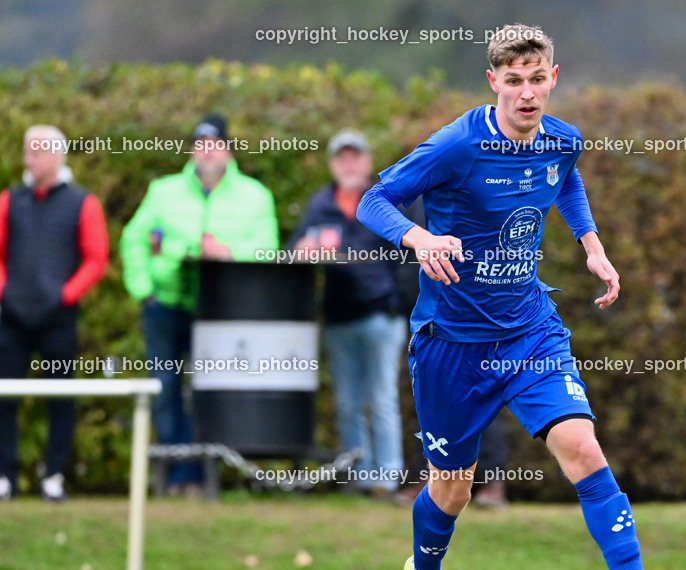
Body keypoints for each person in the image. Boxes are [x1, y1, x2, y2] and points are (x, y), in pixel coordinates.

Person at [357, 24, 686, 570]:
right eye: (513, 81)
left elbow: (565, 180)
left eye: (537, 79)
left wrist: (592, 247)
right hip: (452, 344)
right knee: (453, 488)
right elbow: (374, 200)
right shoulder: (458, 144)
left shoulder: (563, 139)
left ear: (553, 77)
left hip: (529, 330)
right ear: (494, 82)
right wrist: (420, 240)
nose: (527, 93)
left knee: (583, 447)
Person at [121, 114, 278, 496]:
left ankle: (198, 479)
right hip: (165, 306)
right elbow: (133, 239)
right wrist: (144, 289)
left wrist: (229, 252)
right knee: (165, 390)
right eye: (200, 144)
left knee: (208, 394)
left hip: (221, 312)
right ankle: (173, 478)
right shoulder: (163, 191)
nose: (206, 151)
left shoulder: (255, 195)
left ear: (227, 149)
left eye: (214, 144)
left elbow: (268, 249)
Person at [290, 130, 411, 500]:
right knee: (347, 403)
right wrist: (304, 249)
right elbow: (293, 250)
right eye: (342, 158)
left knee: (382, 399)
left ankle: (387, 482)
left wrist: (398, 303)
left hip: (381, 316)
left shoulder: (385, 200)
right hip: (339, 317)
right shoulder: (319, 205)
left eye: (355, 157)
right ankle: (358, 478)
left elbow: (408, 255)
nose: (349, 164)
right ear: (332, 164)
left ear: (367, 162)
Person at [0, 125, 109, 501]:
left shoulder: (82, 202)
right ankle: (4, 476)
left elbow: (96, 258)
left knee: (61, 397)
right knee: (4, 397)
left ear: (57, 155)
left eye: (38, 151)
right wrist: (5, 290)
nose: (30, 159)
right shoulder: (10, 200)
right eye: (27, 151)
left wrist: (65, 295)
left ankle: (54, 477)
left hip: (58, 320)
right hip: (12, 317)